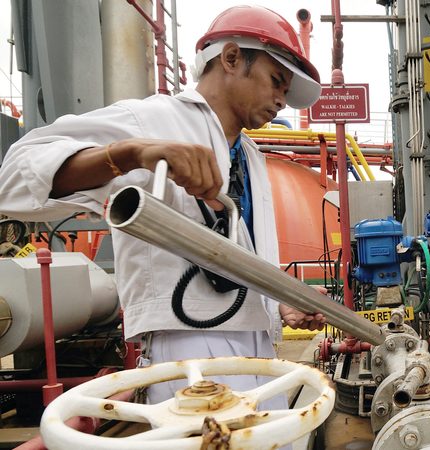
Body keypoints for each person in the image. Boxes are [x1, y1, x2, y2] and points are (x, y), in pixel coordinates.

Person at [0, 5, 326, 406]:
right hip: (187, 350)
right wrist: (132, 153)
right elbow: (14, 177)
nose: (281, 100)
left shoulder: (252, 156)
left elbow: (241, 262)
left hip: (258, 350)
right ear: (231, 58)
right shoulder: (152, 121)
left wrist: (278, 305)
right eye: (277, 81)